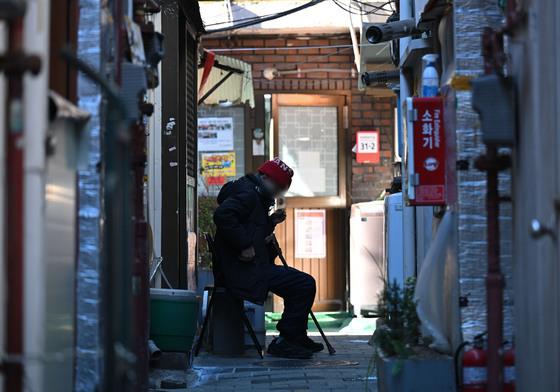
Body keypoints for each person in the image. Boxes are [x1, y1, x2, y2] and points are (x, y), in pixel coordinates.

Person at [213, 157, 323, 359]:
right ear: (265, 177)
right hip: (242, 270)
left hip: (247, 267)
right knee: (304, 284)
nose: (278, 192)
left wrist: (270, 222)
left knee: (300, 283)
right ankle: (288, 339)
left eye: (282, 189)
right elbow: (223, 215)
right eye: (278, 187)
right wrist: (244, 245)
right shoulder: (248, 195)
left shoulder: (252, 193)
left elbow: (249, 227)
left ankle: (294, 336)